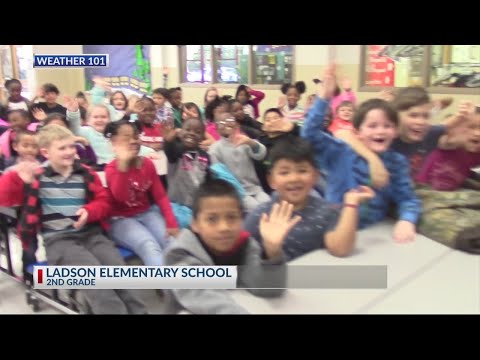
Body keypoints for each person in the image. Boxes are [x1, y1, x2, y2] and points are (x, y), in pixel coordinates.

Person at [0, 124, 147, 314]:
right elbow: (4, 198)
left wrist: (90, 211)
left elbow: (104, 201)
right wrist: (15, 178)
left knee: (122, 279)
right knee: (99, 287)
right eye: (62, 148)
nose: (69, 152)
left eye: (71, 146)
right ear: (45, 152)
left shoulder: (85, 173)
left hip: (92, 235)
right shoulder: (36, 177)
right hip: (60, 241)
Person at [163, 178, 300, 314]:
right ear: (195, 224)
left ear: (242, 219)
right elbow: (204, 296)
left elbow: (266, 287)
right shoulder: (180, 254)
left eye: (231, 217)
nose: (224, 227)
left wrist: (272, 252)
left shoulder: (244, 245)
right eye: (212, 219)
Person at [245, 137, 374, 260]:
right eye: (284, 172)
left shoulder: (327, 211)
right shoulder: (261, 216)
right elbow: (237, 262)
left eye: (302, 170)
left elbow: (340, 249)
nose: (294, 178)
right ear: (271, 180)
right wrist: (272, 250)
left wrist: (351, 204)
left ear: (315, 176)